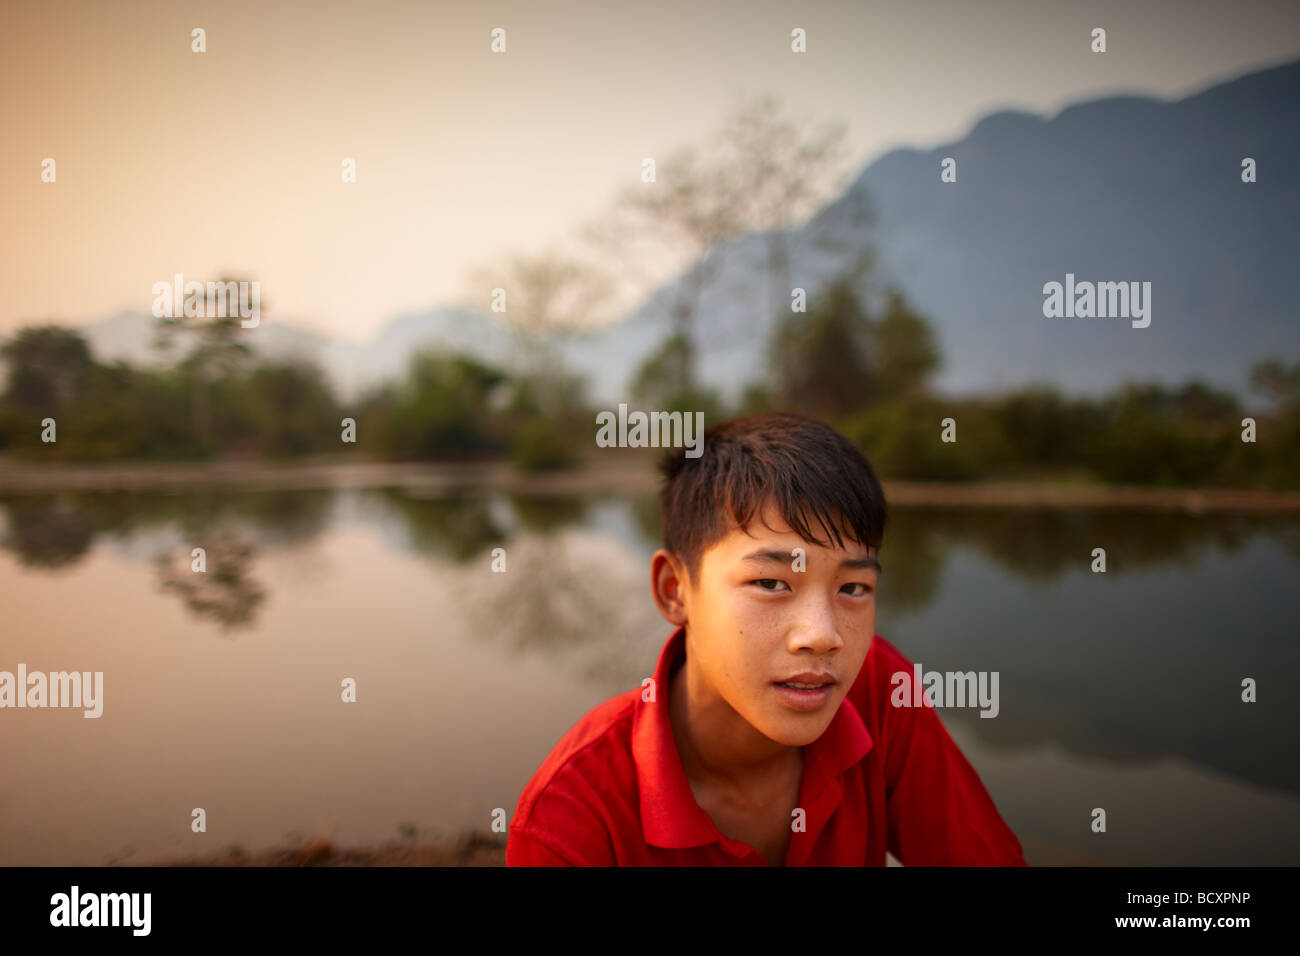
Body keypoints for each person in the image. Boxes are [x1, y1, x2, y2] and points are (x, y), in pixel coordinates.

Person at [507, 411, 1025, 866]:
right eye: (771, 583)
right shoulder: (571, 818)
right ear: (675, 591)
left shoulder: (880, 692)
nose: (822, 637)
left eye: (853, 587)